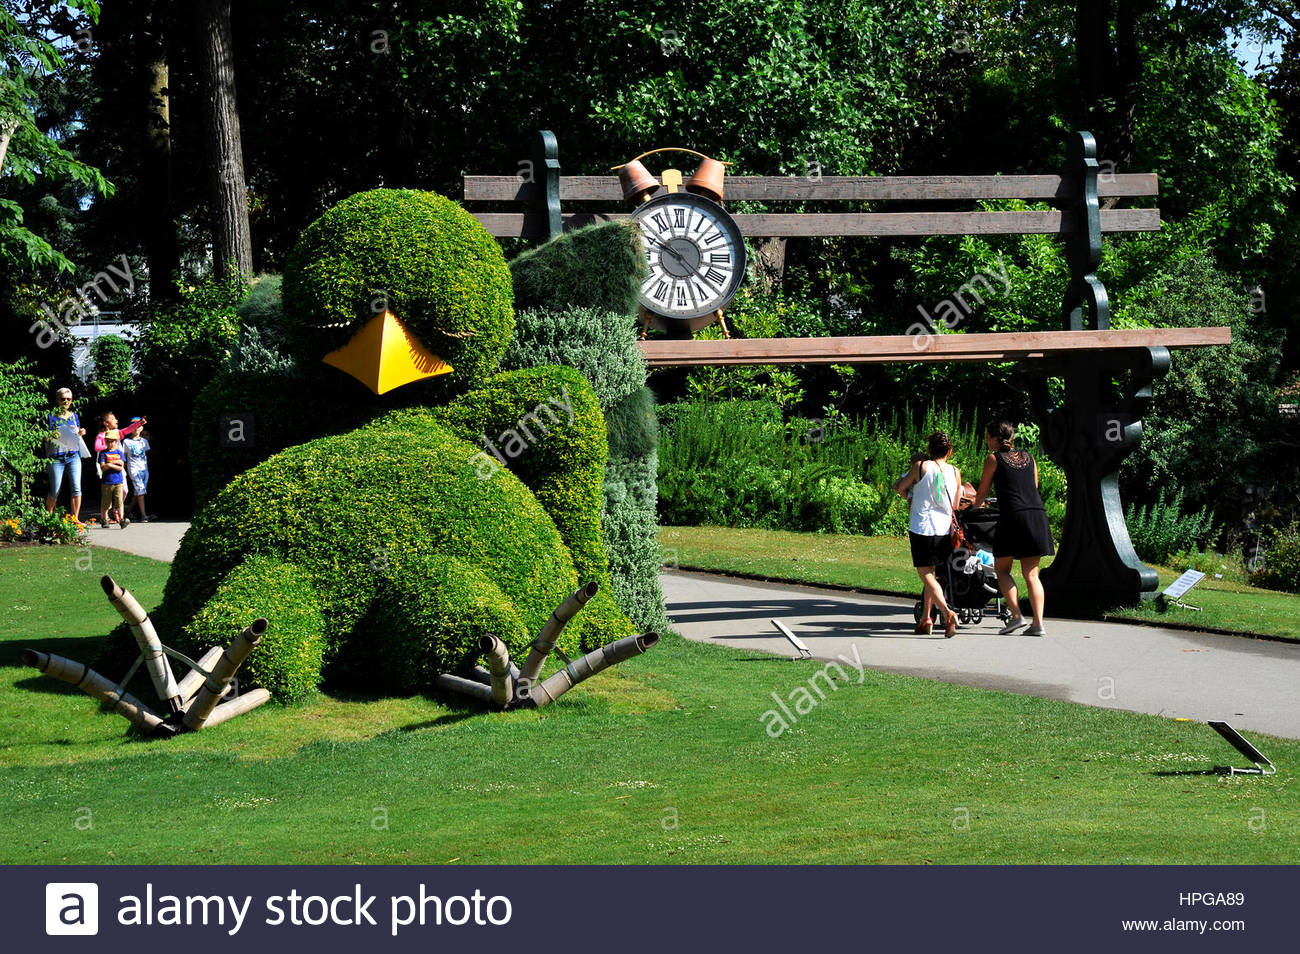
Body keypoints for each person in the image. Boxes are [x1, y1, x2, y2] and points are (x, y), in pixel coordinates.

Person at [973, 420, 1054, 636]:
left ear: (994, 438)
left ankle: (1017, 616)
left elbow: (981, 494)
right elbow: (1033, 486)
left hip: (1013, 518)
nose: (986, 441)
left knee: (1002, 569)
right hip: (1036, 515)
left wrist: (973, 506)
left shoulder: (993, 459)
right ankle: (1038, 624)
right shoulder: (1029, 457)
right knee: (1032, 575)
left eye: (987, 437)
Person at [893, 431, 961, 637]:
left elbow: (898, 486)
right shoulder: (955, 472)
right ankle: (926, 618)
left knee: (926, 575)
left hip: (922, 527)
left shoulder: (921, 467)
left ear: (929, 450)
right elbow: (956, 505)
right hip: (943, 529)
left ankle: (947, 611)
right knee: (932, 573)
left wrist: (909, 496)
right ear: (949, 451)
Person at [43, 387, 86, 523]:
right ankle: (49, 517)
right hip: (56, 457)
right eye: (63, 399)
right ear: (57, 400)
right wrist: (51, 435)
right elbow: (42, 437)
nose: (66, 401)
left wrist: (81, 432)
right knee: (55, 489)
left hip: (73, 455)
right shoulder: (50, 416)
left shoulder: (74, 416)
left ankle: (75, 518)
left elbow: (77, 432)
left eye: (69, 399)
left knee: (76, 487)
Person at [98, 430, 130, 528]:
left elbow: (121, 467)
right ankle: (103, 519)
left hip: (118, 482)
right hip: (107, 482)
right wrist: (115, 463)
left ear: (116, 442)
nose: (110, 443)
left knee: (119, 501)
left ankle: (121, 519)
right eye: (108, 441)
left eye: (112, 441)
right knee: (106, 502)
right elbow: (103, 467)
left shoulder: (119, 453)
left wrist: (110, 464)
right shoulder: (103, 453)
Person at [123, 426, 152, 521]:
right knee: (140, 490)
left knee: (139, 492)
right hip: (133, 468)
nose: (135, 428)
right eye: (133, 426)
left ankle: (127, 511)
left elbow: (146, 454)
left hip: (144, 468)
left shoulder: (144, 441)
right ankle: (144, 516)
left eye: (138, 426)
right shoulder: (126, 441)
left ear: (141, 428)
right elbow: (125, 457)